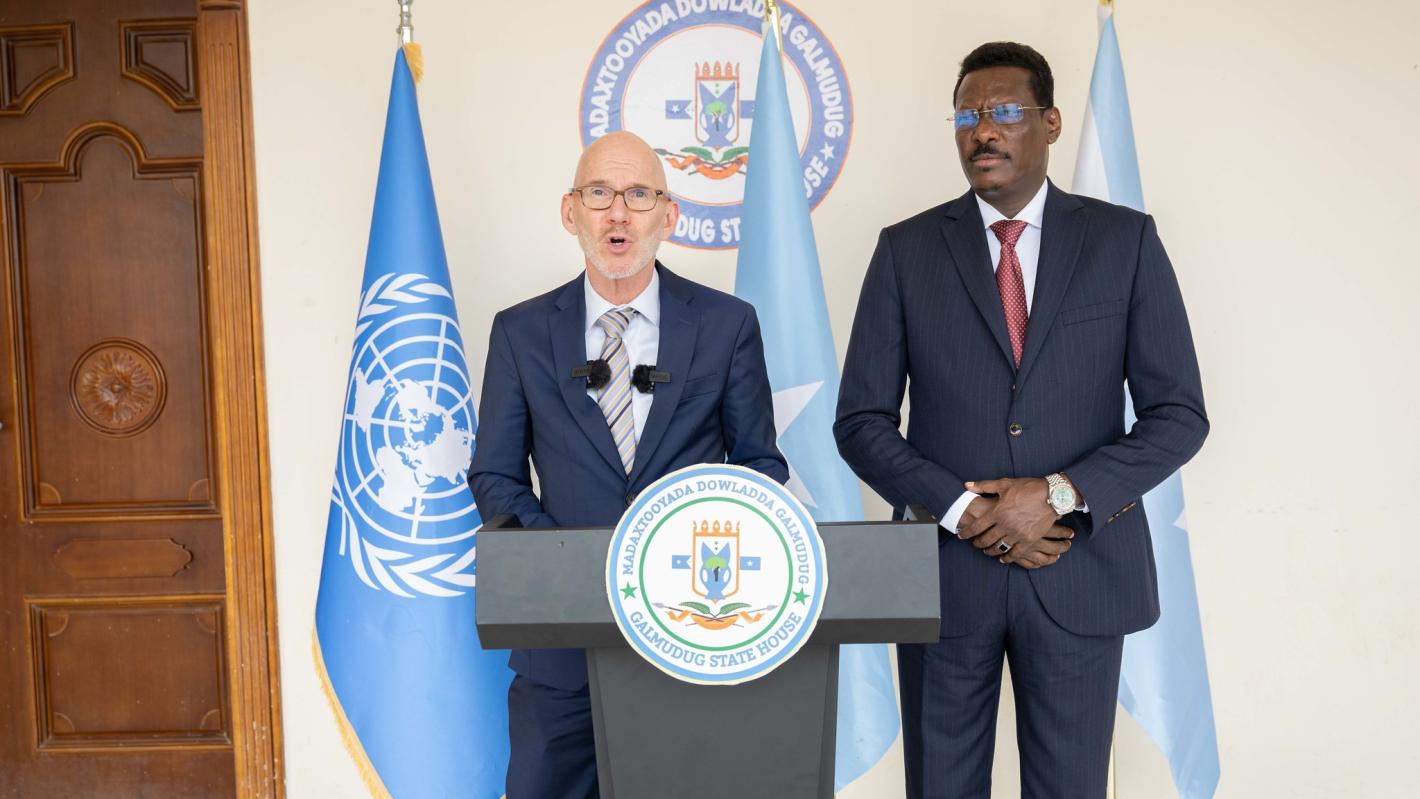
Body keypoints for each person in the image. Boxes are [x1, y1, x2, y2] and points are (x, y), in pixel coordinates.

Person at [833, 42, 1208, 798]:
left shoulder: (1124, 243)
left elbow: (1179, 415)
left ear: (1052, 123)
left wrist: (1061, 493)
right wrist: (965, 508)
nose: (983, 131)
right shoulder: (905, 251)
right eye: (968, 115)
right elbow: (861, 420)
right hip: (944, 578)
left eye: (1004, 112)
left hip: (1079, 568)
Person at [469, 130, 787, 799]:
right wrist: (570, 552)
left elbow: (760, 466)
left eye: (639, 194)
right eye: (600, 193)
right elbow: (494, 475)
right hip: (561, 649)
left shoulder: (728, 325)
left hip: (692, 639)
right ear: (570, 211)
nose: (619, 212)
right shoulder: (520, 333)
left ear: (669, 216)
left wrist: (676, 546)